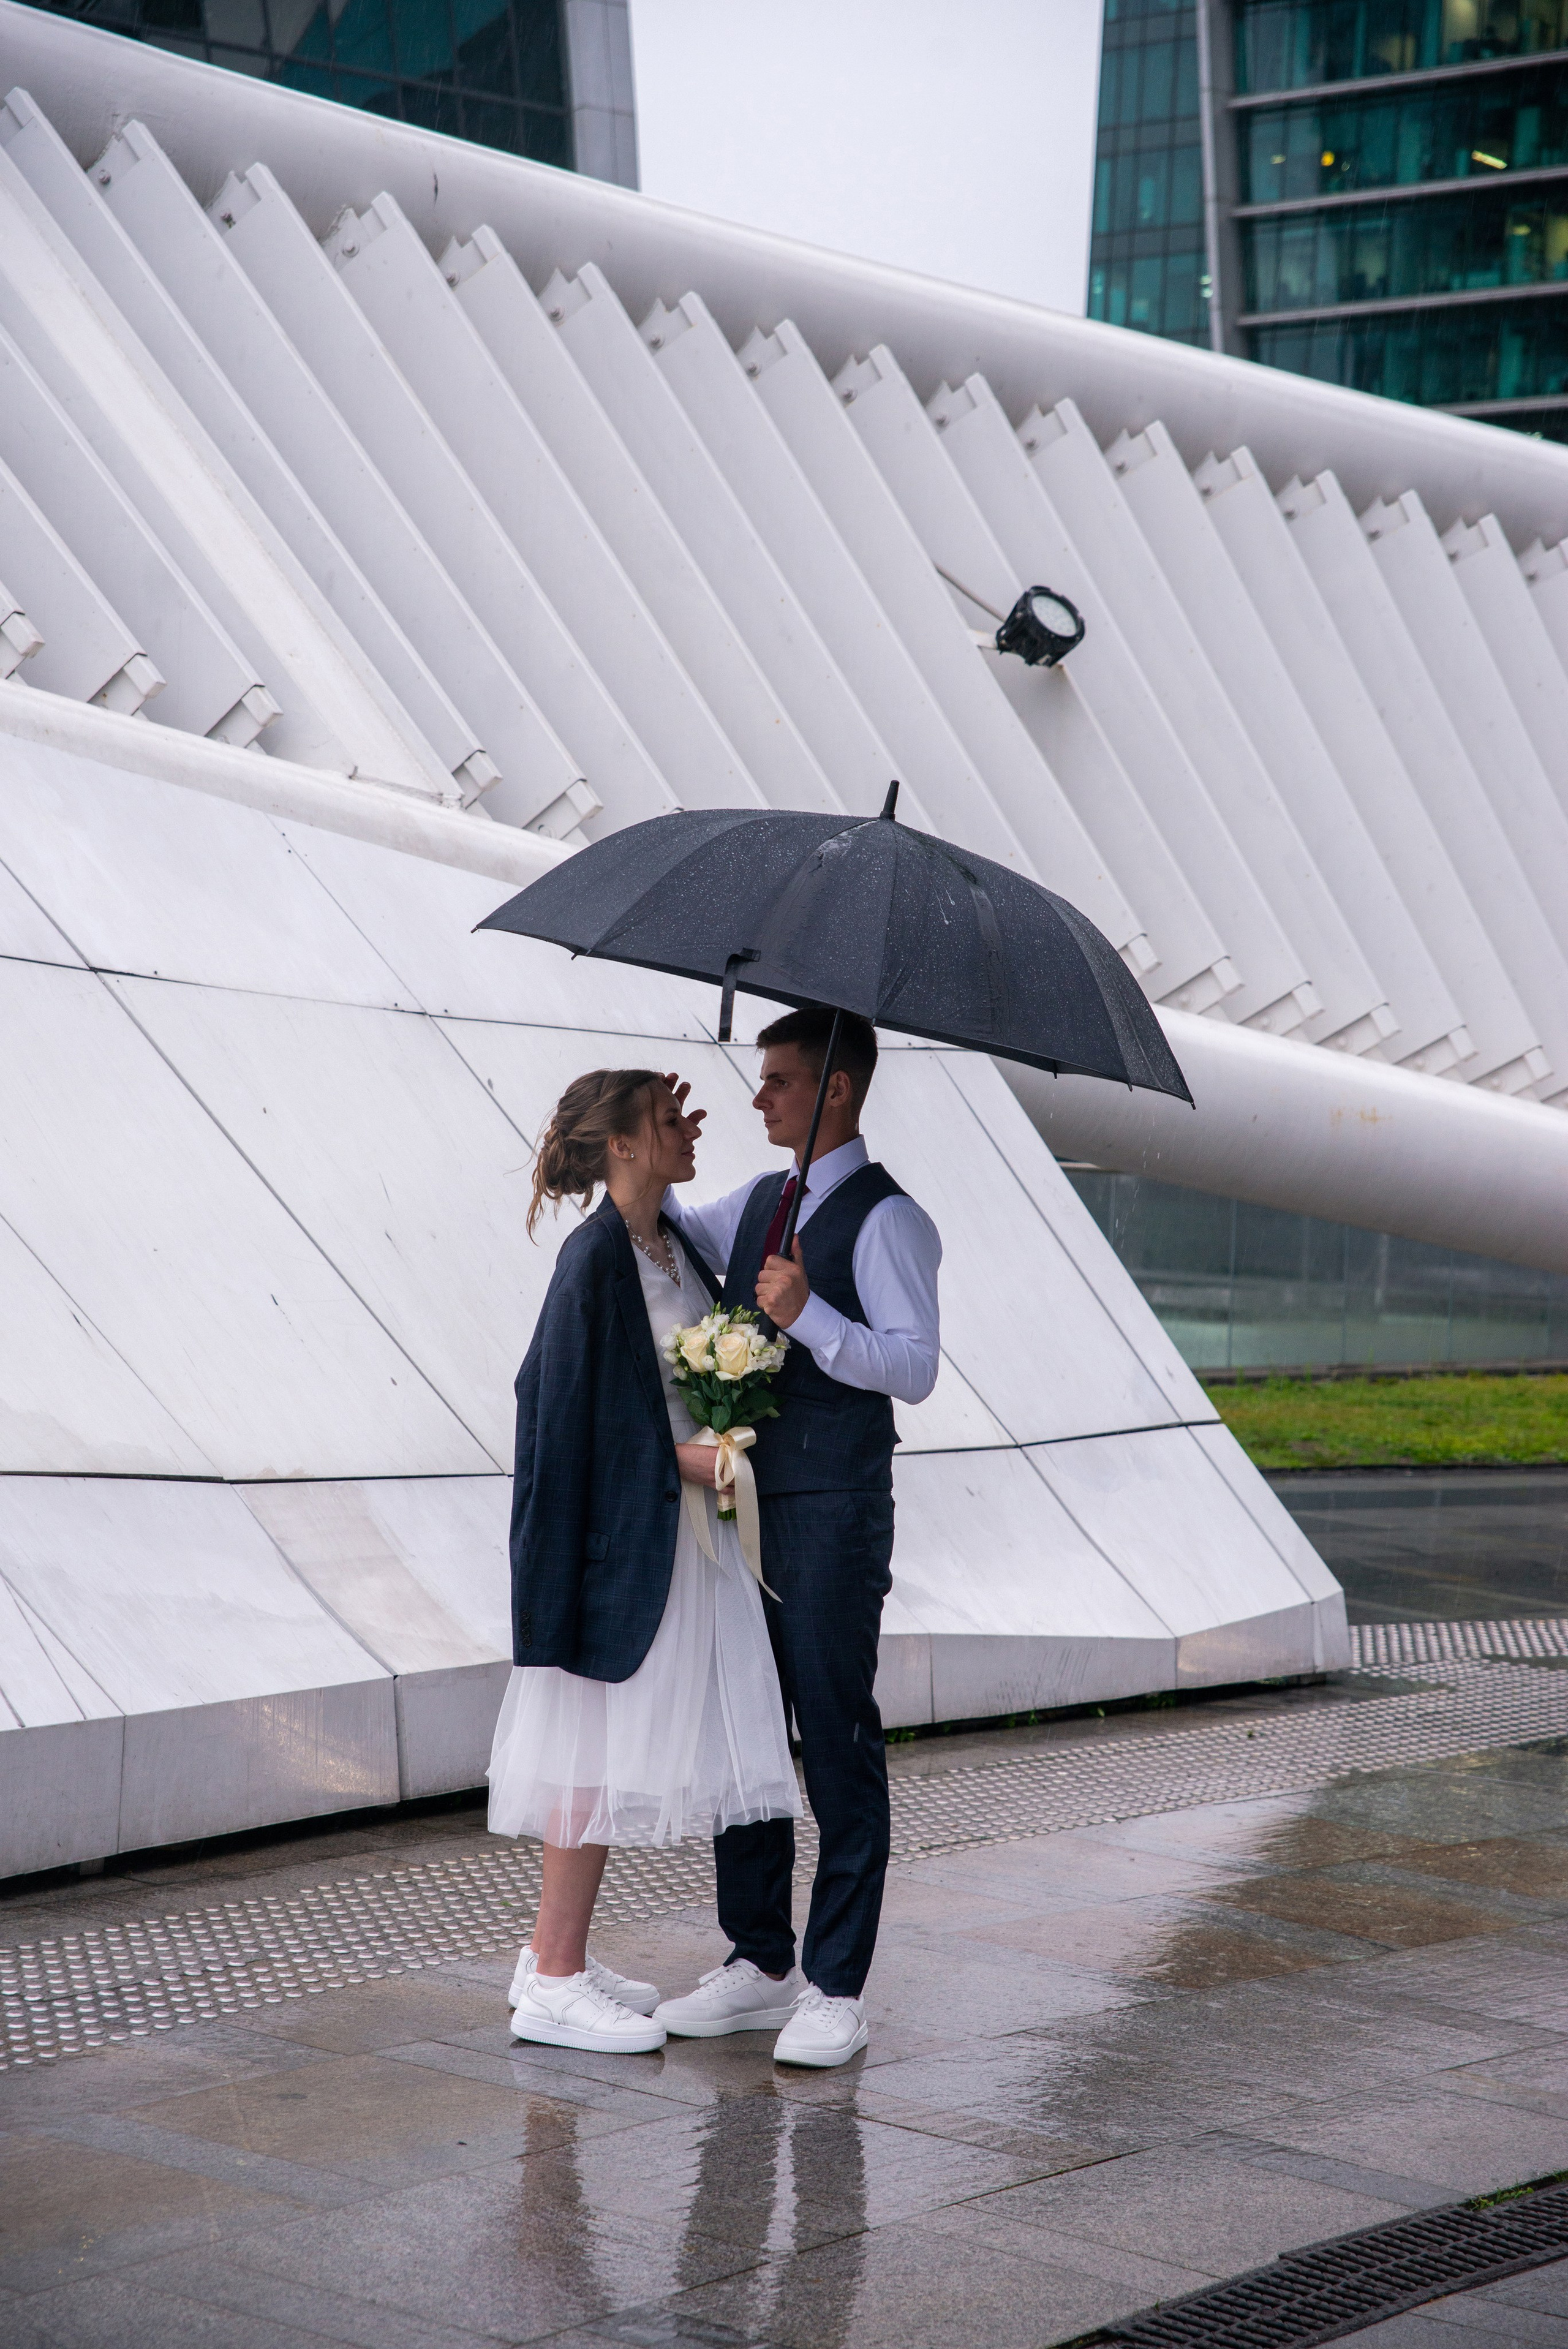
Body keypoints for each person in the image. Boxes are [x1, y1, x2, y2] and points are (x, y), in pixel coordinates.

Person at [489, 1068, 801, 2055]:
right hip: (626, 1543)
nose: (691, 1128)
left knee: (608, 1751)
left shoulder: (670, 1247)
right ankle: (554, 1975)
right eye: (669, 1121)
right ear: (621, 1145)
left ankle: (556, 1959)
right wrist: (683, 1456)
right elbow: (557, 1411)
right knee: (589, 1753)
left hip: (680, 1541)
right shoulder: (593, 1260)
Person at [653, 1009, 941, 2067]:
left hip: (833, 1515)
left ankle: (834, 1984)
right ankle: (759, 1958)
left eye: (778, 1081)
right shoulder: (764, 1201)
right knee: (745, 1729)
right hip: (744, 1506)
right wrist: (644, 1134)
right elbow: (673, 1225)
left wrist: (811, 1315)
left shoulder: (889, 1221)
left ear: (837, 1090)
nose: (759, 1097)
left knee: (833, 1735)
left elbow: (915, 1367)